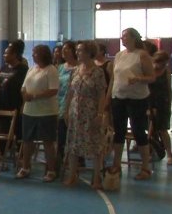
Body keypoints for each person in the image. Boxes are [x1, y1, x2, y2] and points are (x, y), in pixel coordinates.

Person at [108, 28, 155, 179]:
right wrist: (108, 97)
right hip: (119, 97)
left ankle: (145, 167)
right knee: (119, 132)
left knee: (138, 131)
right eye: (122, 36)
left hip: (137, 99)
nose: (122, 38)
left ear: (134, 38)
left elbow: (152, 77)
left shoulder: (142, 55)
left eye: (125, 36)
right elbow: (114, 79)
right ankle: (116, 164)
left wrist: (138, 79)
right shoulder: (119, 55)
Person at [63, 41, 107, 188]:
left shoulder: (98, 72)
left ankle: (97, 178)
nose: (77, 53)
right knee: (73, 144)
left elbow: (101, 94)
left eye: (80, 50)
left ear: (89, 53)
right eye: (77, 50)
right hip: (75, 111)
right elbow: (70, 91)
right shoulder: (76, 70)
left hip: (90, 111)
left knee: (95, 145)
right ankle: (72, 175)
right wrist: (66, 110)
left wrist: (100, 114)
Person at [18, 45, 59, 181]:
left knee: (48, 142)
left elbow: (53, 90)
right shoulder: (31, 69)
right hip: (29, 111)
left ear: (43, 54)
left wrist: (35, 96)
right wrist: (25, 95)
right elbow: (24, 87)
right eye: (33, 53)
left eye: (35, 53)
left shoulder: (51, 70)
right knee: (27, 140)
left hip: (46, 112)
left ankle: (51, 170)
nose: (33, 55)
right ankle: (25, 167)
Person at [0, 41, 28, 147]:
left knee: (17, 135)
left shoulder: (23, 69)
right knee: (1, 137)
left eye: (6, 53)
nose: (4, 55)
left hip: (15, 106)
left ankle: (20, 153)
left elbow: (25, 88)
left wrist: (23, 104)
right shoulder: (4, 68)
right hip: (2, 106)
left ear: (14, 55)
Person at [56, 41, 77, 170]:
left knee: (72, 134)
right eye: (63, 49)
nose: (63, 51)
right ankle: (61, 161)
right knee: (61, 135)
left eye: (67, 49)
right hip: (59, 102)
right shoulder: (60, 67)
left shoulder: (78, 68)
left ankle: (76, 160)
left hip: (73, 103)